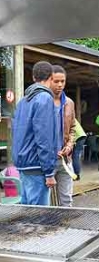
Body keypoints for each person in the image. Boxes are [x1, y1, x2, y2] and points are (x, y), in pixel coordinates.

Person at [12, 61, 57, 205]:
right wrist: (49, 172)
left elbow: (16, 133)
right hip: (37, 166)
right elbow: (44, 137)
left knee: (27, 215)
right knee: (39, 220)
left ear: (33, 78)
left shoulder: (22, 102)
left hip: (23, 165)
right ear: (51, 78)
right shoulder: (45, 98)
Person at [50, 64, 76, 206]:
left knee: (67, 199)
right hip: (46, 159)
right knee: (46, 200)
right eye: (56, 81)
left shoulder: (69, 103)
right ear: (49, 80)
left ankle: (67, 227)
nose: (60, 85)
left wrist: (69, 144)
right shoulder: (42, 102)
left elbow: (73, 127)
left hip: (65, 159)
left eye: (63, 81)